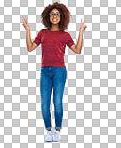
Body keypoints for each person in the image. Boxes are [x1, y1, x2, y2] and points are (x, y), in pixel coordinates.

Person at [22, 2, 87, 142]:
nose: (54, 16)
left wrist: (81, 33)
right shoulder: (42, 33)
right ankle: (48, 131)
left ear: (61, 16)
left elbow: (77, 50)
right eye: (52, 14)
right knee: (45, 103)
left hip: (59, 71)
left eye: (57, 14)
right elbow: (30, 48)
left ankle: (57, 130)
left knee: (57, 101)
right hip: (45, 71)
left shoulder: (65, 35)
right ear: (48, 16)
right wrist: (27, 30)